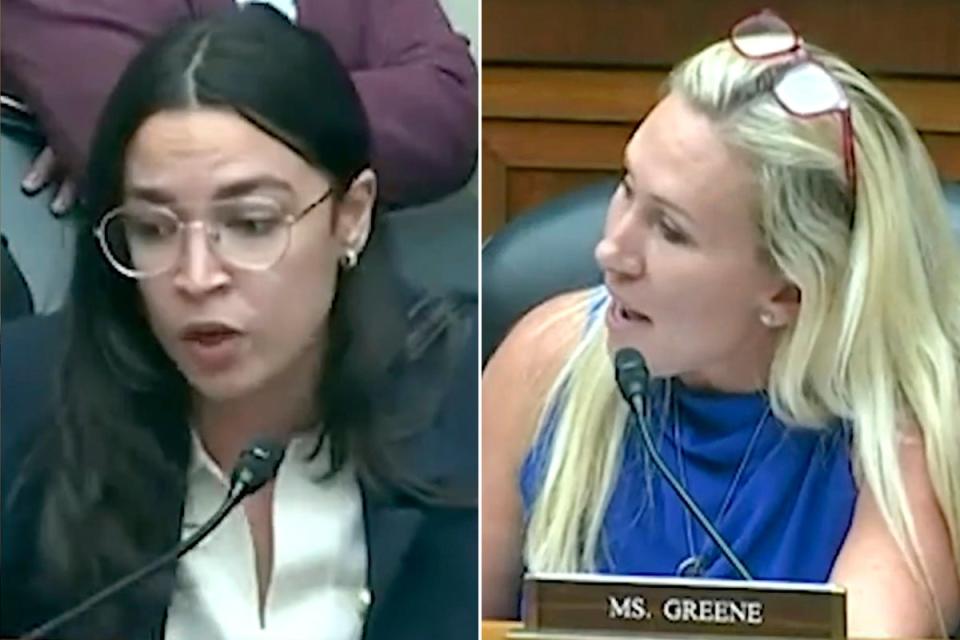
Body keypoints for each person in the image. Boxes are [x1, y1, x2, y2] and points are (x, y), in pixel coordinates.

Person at [0, 6, 477, 639]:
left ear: (351, 216)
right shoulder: (23, 401)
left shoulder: (470, 400)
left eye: (252, 225)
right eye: (152, 228)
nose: (197, 276)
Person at [482, 9, 960, 638]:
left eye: (671, 229)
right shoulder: (548, 361)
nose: (612, 252)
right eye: (627, 189)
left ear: (788, 293)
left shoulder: (905, 434)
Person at [2, 0, 477, 210]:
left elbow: (453, 108)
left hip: (387, 318)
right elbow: (149, 147)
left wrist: (225, 111)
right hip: (155, 357)